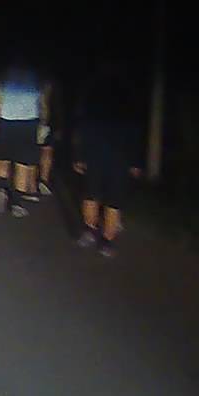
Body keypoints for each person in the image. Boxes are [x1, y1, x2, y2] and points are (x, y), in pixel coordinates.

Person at [71, 62, 145, 258]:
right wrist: (135, 162)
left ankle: (92, 232)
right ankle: (106, 240)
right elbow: (135, 135)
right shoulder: (129, 103)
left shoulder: (92, 99)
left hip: (99, 154)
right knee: (111, 200)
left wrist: (79, 156)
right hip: (117, 158)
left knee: (93, 195)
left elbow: (82, 130)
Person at [0, 58, 44, 217]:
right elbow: (42, 105)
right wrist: (42, 125)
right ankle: (16, 204)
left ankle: (1, 189)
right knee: (22, 164)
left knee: (3, 160)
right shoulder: (36, 79)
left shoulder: (4, 77)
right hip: (28, 124)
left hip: (6, 122)